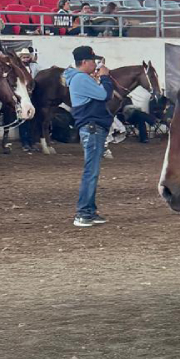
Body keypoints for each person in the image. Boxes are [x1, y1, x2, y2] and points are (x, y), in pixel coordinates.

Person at [63, 45, 113, 227]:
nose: (95, 64)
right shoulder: (81, 78)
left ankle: (89, 211)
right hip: (93, 128)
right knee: (91, 172)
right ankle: (83, 213)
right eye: (93, 61)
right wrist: (105, 77)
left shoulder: (78, 78)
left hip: (91, 128)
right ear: (84, 62)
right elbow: (105, 95)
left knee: (92, 171)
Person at [16, 47, 39, 153]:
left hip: (30, 94)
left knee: (31, 120)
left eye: (27, 57)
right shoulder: (18, 69)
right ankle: (25, 142)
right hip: (22, 95)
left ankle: (30, 141)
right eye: (24, 57)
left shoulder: (31, 67)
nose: (26, 59)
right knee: (23, 120)